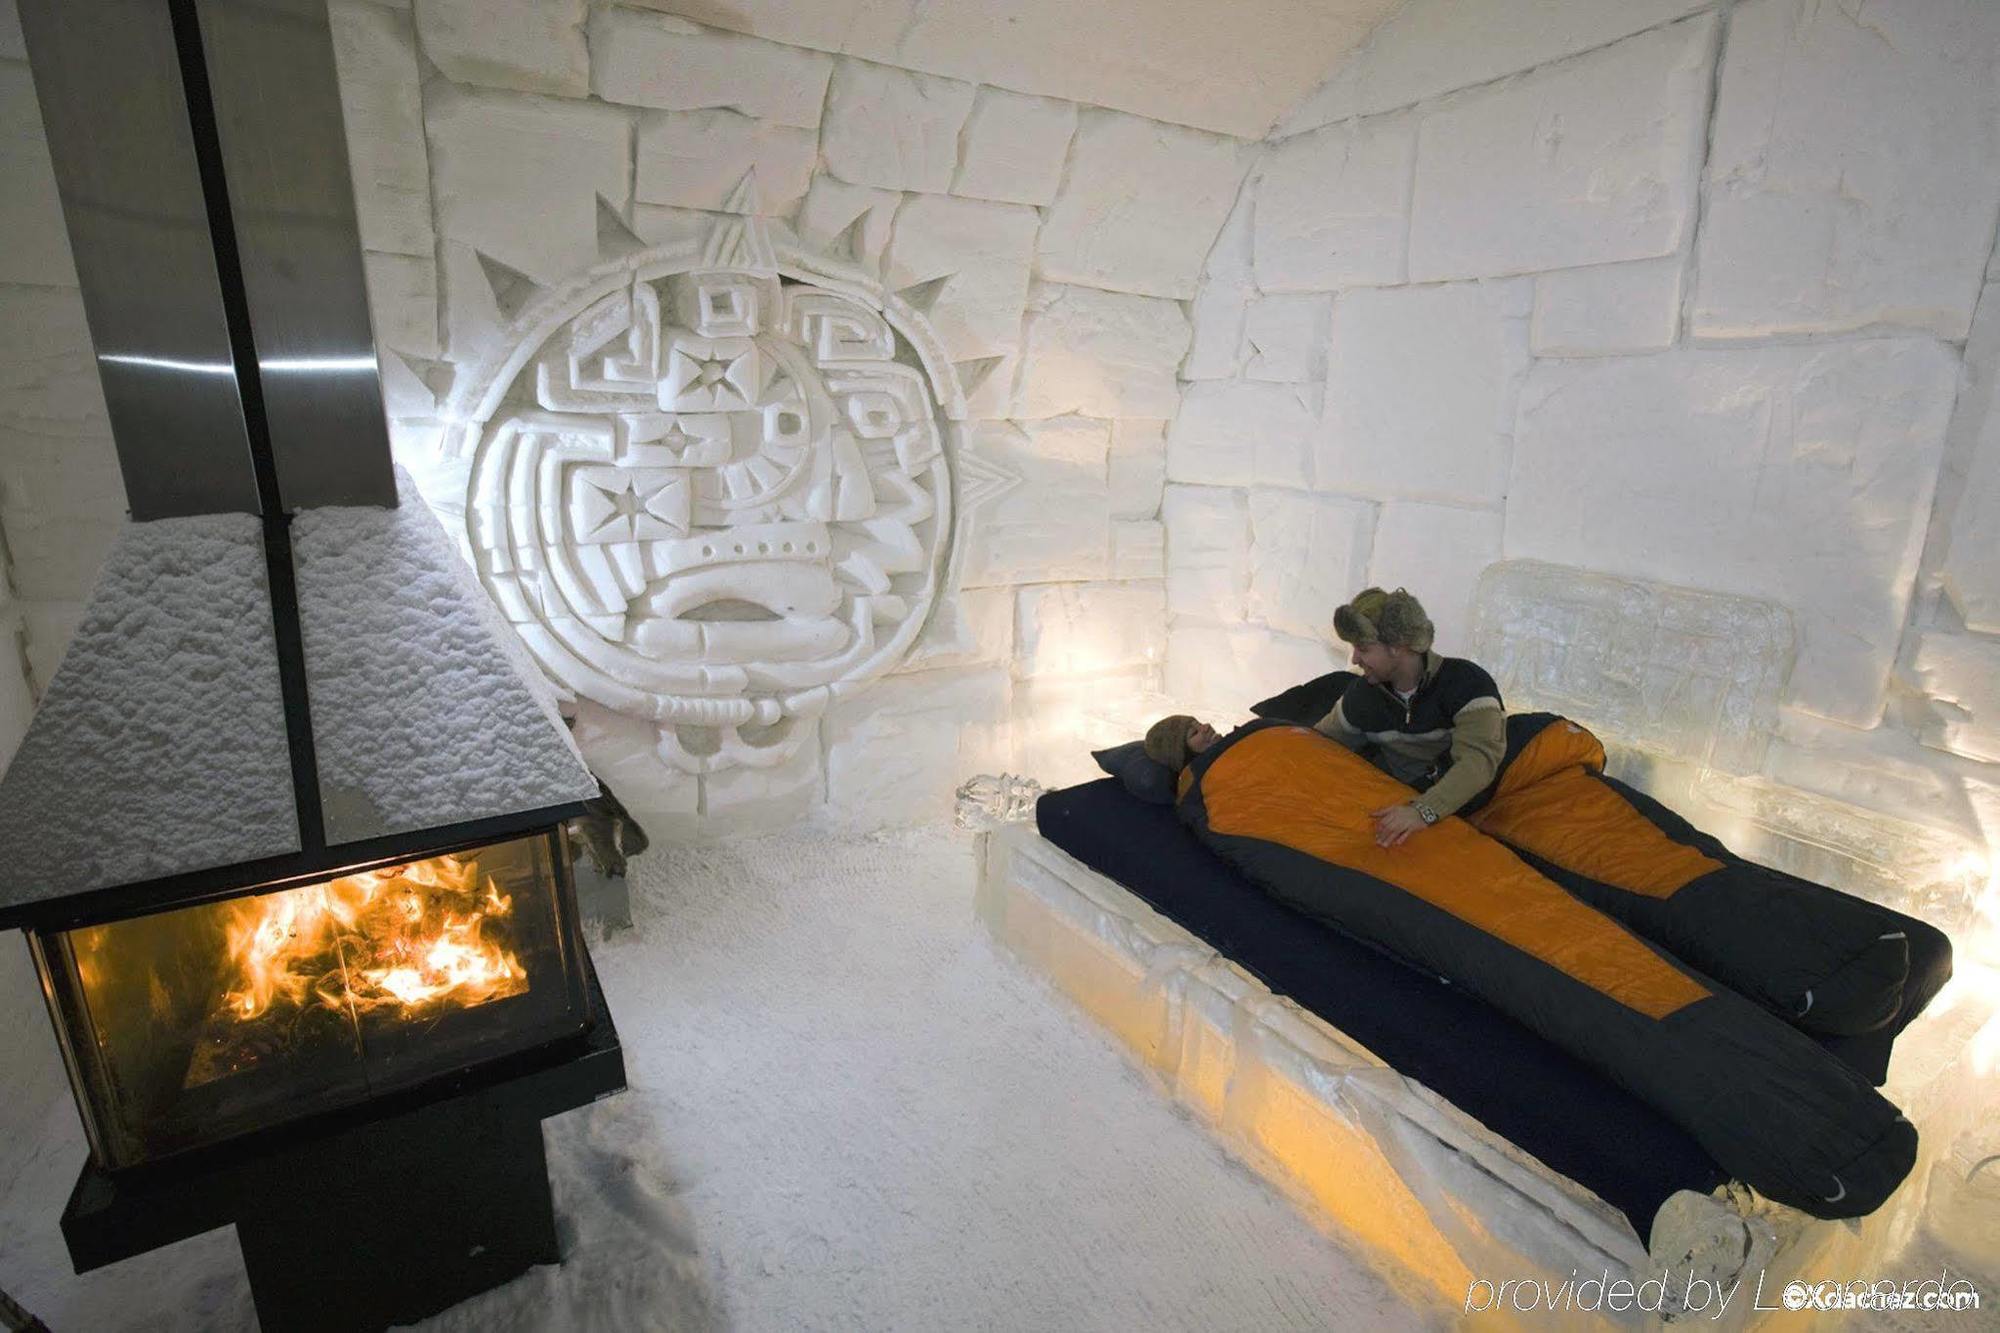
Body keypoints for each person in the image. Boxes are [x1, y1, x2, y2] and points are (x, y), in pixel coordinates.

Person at [1315, 587, 1504, 847]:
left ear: (1397, 646)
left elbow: (1478, 763)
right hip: (1399, 798)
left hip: (1465, 804)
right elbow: (1318, 743)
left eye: (1363, 648)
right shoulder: (1363, 696)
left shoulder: (1467, 684)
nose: (1355, 658)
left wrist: (1422, 811)